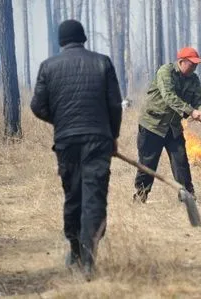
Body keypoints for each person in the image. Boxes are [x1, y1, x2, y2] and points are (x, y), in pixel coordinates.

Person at [31, 19, 122, 281]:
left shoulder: (48, 66)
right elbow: (114, 104)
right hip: (98, 140)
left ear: (61, 41)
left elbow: (37, 106)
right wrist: (112, 135)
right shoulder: (102, 62)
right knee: (94, 196)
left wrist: (61, 120)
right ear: (83, 38)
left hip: (66, 142)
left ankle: (74, 251)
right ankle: (89, 258)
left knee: (73, 196)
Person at [133, 47, 201, 203]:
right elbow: (169, 97)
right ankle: (141, 196)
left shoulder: (193, 79)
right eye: (191, 64)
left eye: (196, 64)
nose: (194, 67)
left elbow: (200, 98)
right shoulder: (165, 72)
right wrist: (191, 111)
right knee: (148, 163)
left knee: (180, 162)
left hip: (173, 128)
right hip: (152, 125)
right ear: (181, 62)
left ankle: (187, 197)